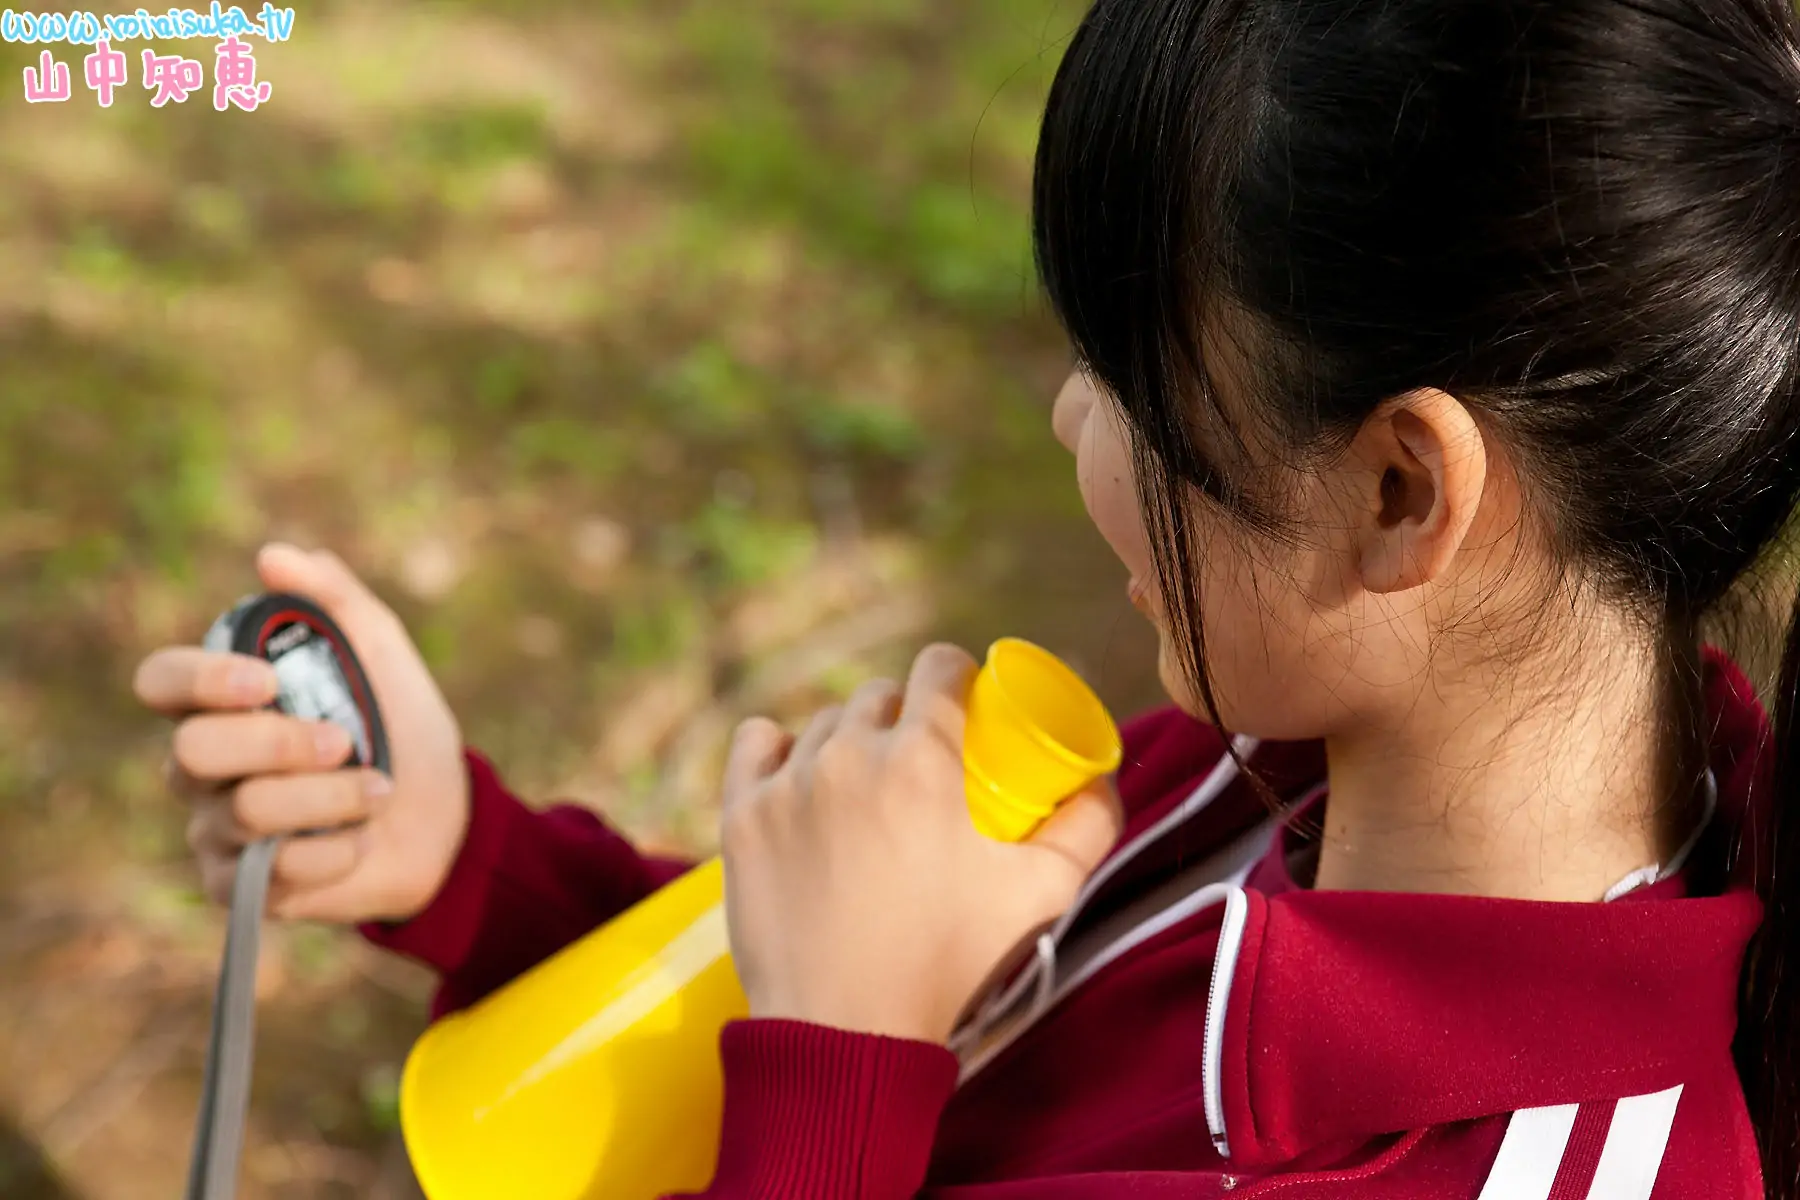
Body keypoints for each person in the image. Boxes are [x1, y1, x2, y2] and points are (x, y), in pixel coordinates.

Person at [132, 0, 1800, 1193]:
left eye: (1122, 377)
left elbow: (867, 1048)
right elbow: (906, 1021)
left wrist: (844, 1060)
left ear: (1398, 493)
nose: (1071, 423)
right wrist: (477, 865)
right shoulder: (1262, 779)